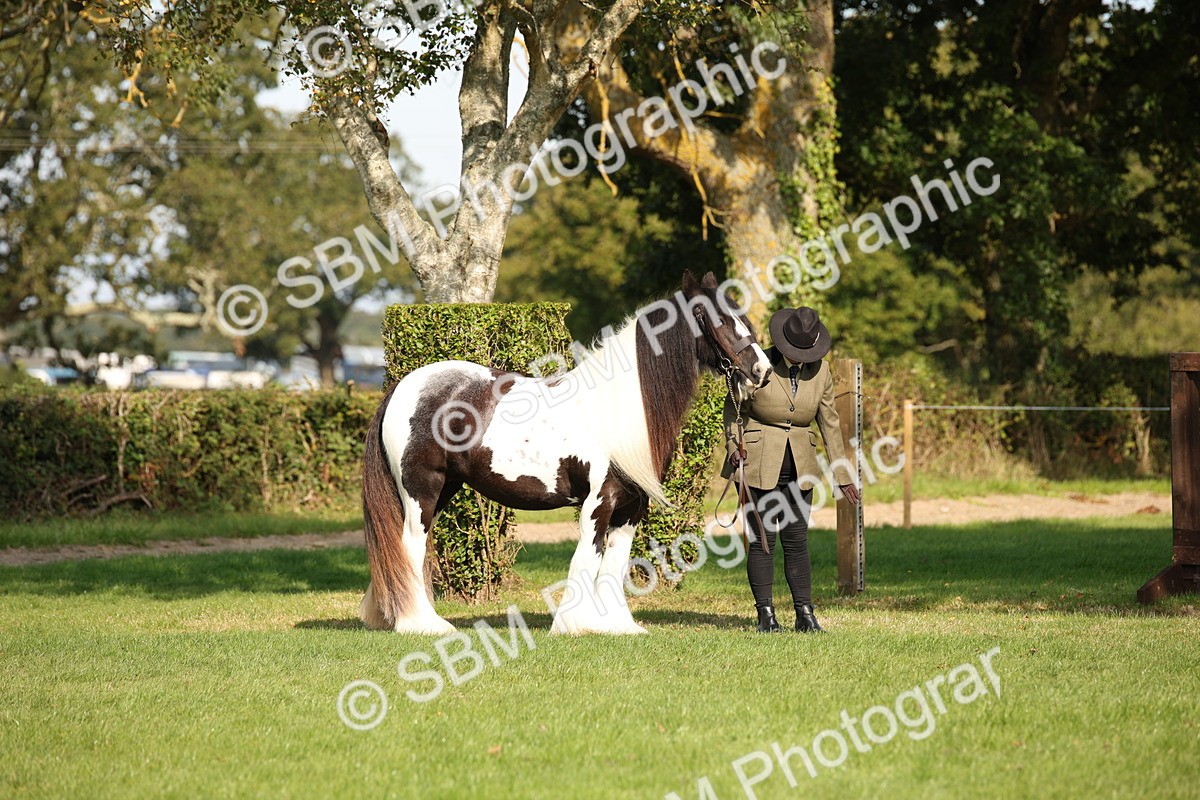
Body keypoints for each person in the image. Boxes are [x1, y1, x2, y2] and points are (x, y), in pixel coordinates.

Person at [722, 306, 860, 633]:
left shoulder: (822, 372)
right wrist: (733, 447)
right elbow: (733, 410)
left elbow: (829, 423)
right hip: (758, 460)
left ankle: (805, 614)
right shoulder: (755, 363)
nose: (800, 358)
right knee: (763, 541)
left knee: (797, 540)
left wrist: (843, 476)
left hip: (802, 464)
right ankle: (765, 615)